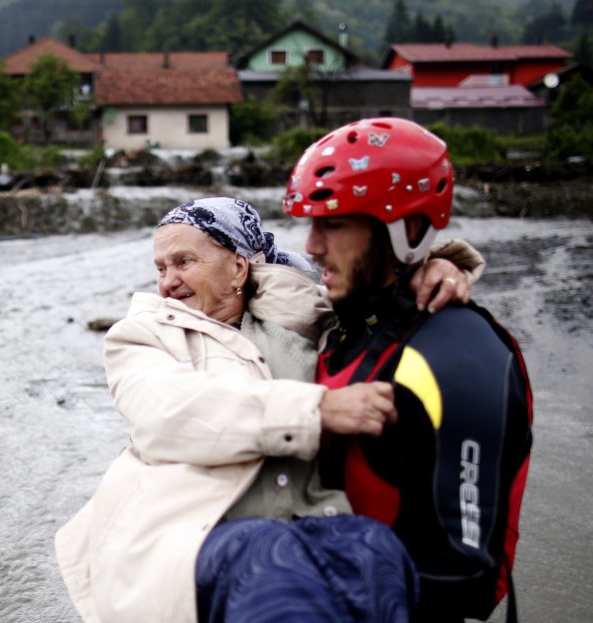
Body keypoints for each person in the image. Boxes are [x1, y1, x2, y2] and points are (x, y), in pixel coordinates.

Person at [55, 196, 482, 623]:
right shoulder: (143, 336)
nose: (168, 282)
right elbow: (169, 412)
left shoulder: (305, 318)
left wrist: (433, 269)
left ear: (239, 268)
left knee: (376, 553)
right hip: (188, 531)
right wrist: (317, 409)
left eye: (183, 261)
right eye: (161, 268)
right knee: (271, 565)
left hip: (305, 517)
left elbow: (374, 290)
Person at [283, 117, 533, 622]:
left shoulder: (460, 355)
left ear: (407, 229)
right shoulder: (344, 322)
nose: (311, 246)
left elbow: (464, 578)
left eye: (333, 224)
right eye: (310, 223)